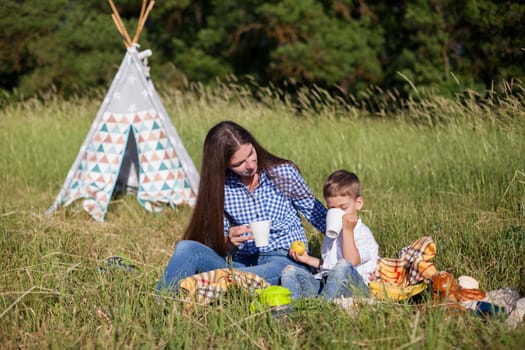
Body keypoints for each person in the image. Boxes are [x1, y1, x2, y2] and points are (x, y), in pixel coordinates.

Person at [157, 120, 327, 293]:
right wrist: (229, 241)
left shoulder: (283, 172)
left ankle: (212, 282)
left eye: (251, 154)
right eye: (239, 164)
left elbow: (317, 215)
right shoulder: (221, 188)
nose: (250, 165)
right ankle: (164, 300)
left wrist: (350, 236)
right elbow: (216, 245)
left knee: (275, 271)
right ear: (223, 165)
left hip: (285, 258)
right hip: (243, 261)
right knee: (187, 248)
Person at [281, 170, 379, 300]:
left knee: (342, 267)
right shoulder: (332, 232)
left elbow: (349, 262)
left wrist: (347, 231)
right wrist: (307, 259)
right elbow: (329, 265)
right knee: (289, 272)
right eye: (332, 208)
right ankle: (293, 306)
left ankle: (322, 306)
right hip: (326, 282)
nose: (337, 213)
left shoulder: (362, 233)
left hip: (355, 286)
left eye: (343, 208)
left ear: (358, 203)